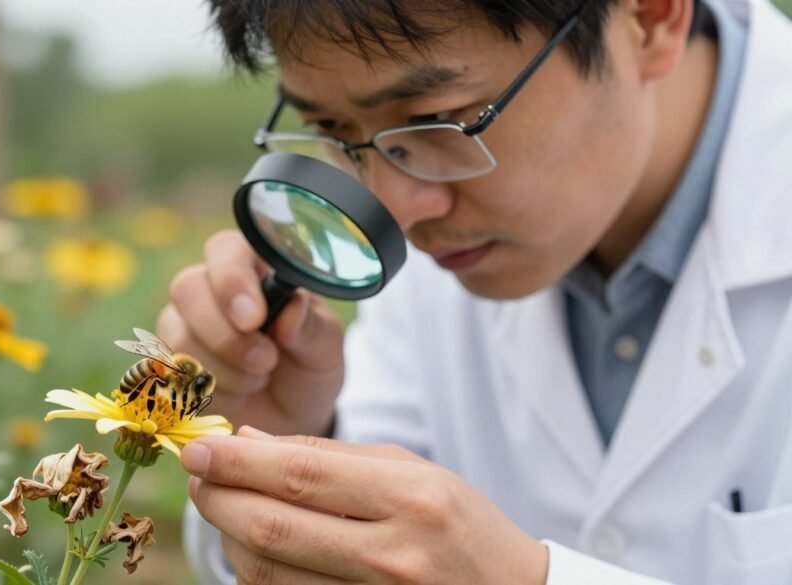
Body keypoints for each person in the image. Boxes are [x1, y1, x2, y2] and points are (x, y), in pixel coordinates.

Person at [158, 0, 792, 582]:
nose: (396, 209)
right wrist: (292, 444)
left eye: (441, 122)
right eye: (330, 126)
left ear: (651, 20)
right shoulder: (456, 242)